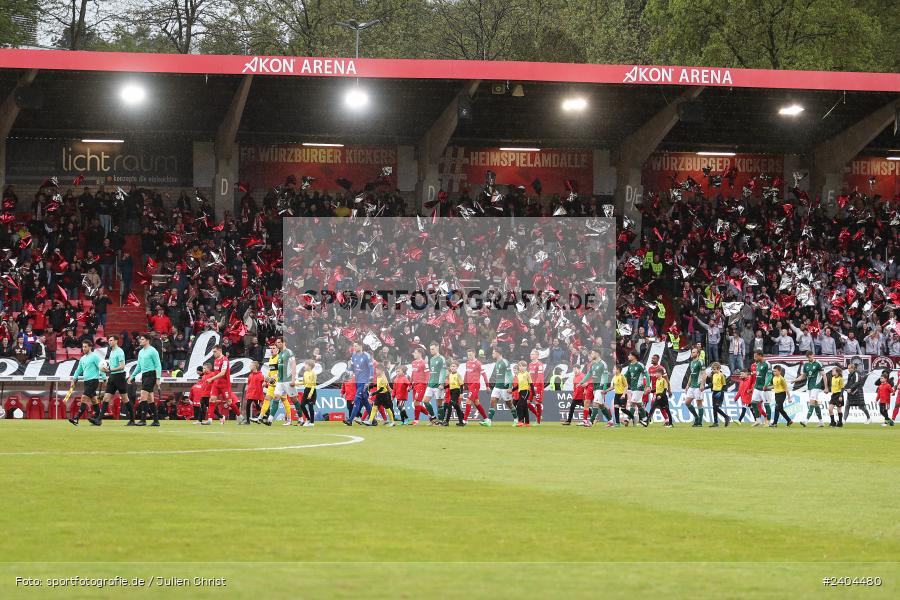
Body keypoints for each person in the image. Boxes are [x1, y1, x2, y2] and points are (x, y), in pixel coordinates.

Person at [127, 333, 162, 427]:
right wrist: (132, 376)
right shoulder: (141, 352)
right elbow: (138, 366)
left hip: (151, 374)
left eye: (142, 339)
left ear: (147, 340)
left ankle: (143, 420)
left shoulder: (153, 351)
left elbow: (158, 365)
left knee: (143, 396)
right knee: (150, 399)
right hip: (145, 375)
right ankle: (156, 421)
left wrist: (158, 378)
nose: (140, 341)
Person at [68, 340, 103, 426]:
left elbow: (101, 367)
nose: (83, 348)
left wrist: (105, 378)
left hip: (93, 381)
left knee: (84, 398)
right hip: (86, 382)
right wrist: (74, 379)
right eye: (83, 347)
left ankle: (76, 418)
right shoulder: (83, 358)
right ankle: (98, 419)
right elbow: (78, 370)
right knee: (94, 400)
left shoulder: (94, 357)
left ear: (90, 347)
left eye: (85, 347)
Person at [100, 334, 128, 424]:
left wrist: (110, 369)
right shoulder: (111, 351)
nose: (109, 342)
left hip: (119, 377)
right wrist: (108, 370)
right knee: (105, 398)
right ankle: (98, 419)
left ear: (116, 341)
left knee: (125, 399)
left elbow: (122, 366)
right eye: (109, 340)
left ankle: (132, 419)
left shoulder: (120, 351)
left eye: (111, 340)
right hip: (112, 377)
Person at [579, 349, 612, 424]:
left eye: (592, 353)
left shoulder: (603, 364)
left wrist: (604, 388)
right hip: (595, 386)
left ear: (597, 354)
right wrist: (581, 382)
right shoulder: (593, 364)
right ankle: (610, 421)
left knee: (595, 403)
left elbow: (606, 376)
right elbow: (589, 374)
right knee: (601, 405)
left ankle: (591, 422)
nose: (591, 355)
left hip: (600, 387)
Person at [344, 342, 374, 426]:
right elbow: (352, 367)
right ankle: (373, 421)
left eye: (356, 346)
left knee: (357, 400)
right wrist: (349, 373)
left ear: (361, 346)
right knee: (365, 402)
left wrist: (370, 379)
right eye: (353, 346)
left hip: (364, 382)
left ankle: (350, 420)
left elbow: (371, 368)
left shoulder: (366, 355)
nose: (354, 347)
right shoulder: (354, 355)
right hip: (357, 381)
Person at [482, 348, 512, 427]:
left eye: (493, 353)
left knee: (509, 404)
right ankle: (489, 421)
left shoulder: (505, 362)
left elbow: (510, 375)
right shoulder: (497, 362)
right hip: (497, 386)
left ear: (498, 353)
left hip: (505, 386)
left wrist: (510, 387)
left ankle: (516, 419)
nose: (492, 354)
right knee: (492, 401)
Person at [795, 351, 825, 427]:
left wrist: (826, 387)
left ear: (813, 355)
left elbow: (823, 375)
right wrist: (795, 380)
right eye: (807, 357)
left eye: (810, 356)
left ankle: (806, 421)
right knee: (815, 404)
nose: (809, 358)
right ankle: (821, 422)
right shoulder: (806, 365)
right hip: (809, 386)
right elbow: (804, 376)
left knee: (811, 402)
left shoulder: (818, 363)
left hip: (816, 386)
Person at [622, 351, 650, 426]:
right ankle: (645, 420)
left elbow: (647, 375)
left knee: (632, 403)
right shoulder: (630, 365)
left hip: (639, 388)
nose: (628, 356)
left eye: (630, 355)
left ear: (634, 356)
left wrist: (648, 386)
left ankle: (628, 419)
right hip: (633, 388)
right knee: (639, 404)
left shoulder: (640, 365)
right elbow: (626, 375)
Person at [463, 348, 489, 422]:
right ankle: (486, 418)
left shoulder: (478, 363)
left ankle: (464, 420)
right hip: (469, 385)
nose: (469, 356)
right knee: (477, 403)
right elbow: (466, 374)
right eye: (468, 355)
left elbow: (484, 375)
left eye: (470, 355)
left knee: (468, 401)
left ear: (474, 354)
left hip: (475, 385)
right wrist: (465, 384)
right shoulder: (467, 363)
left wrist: (487, 386)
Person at [424, 343, 447, 422]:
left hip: (438, 384)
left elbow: (443, 371)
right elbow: (432, 371)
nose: (431, 351)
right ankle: (433, 417)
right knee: (425, 401)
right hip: (431, 383)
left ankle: (441, 421)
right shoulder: (431, 359)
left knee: (439, 404)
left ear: (437, 348)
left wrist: (441, 383)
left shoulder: (441, 358)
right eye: (430, 349)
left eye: (433, 349)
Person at [409, 348, 433, 424]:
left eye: (415, 353)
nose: (414, 354)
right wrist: (410, 384)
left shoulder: (424, 363)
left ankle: (416, 420)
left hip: (421, 384)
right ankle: (430, 416)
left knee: (416, 401)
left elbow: (427, 374)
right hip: (415, 384)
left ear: (420, 353)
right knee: (416, 403)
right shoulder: (413, 363)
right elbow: (413, 373)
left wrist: (426, 384)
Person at [684, 347, 706, 427]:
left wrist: (702, 384)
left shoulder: (700, 361)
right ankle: (696, 417)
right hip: (692, 386)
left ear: (698, 354)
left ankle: (699, 422)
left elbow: (704, 374)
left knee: (699, 403)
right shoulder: (692, 362)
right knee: (687, 402)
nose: (692, 353)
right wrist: (687, 385)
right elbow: (691, 374)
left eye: (694, 352)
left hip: (698, 385)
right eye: (692, 352)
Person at [751, 351, 773, 427]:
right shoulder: (758, 364)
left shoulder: (767, 364)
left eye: (756, 357)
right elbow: (758, 376)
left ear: (760, 356)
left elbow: (770, 376)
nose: (755, 358)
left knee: (766, 404)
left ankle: (768, 422)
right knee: (753, 402)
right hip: (757, 387)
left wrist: (766, 385)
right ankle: (758, 420)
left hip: (765, 388)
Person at [708, 362, 731, 427]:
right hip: (714, 392)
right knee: (714, 408)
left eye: (714, 369)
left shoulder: (722, 375)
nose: (713, 370)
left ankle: (726, 417)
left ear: (718, 369)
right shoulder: (714, 375)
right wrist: (705, 388)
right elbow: (712, 384)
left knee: (716, 407)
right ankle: (716, 423)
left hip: (719, 393)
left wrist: (720, 392)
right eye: (712, 369)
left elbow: (724, 385)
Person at [443, 361, 465, 426]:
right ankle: (461, 421)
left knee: (449, 405)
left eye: (454, 366)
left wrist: (461, 393)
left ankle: (446, 421)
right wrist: (444, 387)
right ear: (450, 367)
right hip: (451, 391)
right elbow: (450, 385)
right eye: (451, 366)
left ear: (457, 367)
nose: (452, 368)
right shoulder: (450, 375)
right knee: (457, 407)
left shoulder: (458, 375)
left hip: (456, 391)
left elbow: (461, 385)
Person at [242, 361, 265, 425]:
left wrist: (264, 384)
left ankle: (266, 415)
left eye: (251, 365)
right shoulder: (250, 375)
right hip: (251, 394)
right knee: (248, 405)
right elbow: (249, 384)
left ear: (255, 367)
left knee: (258, 407)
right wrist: (247, 389)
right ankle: (247, 420)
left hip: (257, 394)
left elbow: (264, 384)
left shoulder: (260, 375)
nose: (250, 366)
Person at [527, 349, 546, 425]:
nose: (531, 355)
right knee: (527, 402)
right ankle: (538, 415)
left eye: (533, 354)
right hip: (531, 386)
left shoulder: (539, 364)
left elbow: (540, 376)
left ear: (537, 356)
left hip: (538, 386)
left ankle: (538, 422)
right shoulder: (530, 364)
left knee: (537, 402)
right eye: (531, 354)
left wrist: (536, 386)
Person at [298, 359, 317, 427]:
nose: (304, 366)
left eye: (305, 364)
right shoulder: (305, 373)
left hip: (312, 391)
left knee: (310, 407)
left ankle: (312, 422)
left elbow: (313, 385)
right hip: (306, 390)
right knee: (302, 405)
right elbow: (304, 382)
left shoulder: (313, 373)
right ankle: (308, 419)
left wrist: (310, 394)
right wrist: (295, 383)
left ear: (310, 366)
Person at [514, 360, 532, 427]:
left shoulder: (527, 374)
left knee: (519, 405)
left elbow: (531, 383)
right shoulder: (519, 374)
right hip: (521, 391)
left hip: (526, 391)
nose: (521, 367)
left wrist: (533, 393)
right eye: (520, 366)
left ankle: (520, 421)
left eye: (523, 366)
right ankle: (527, 422)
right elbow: (519, 385)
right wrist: (512, 390)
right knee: (524, 406)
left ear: (526, 367)